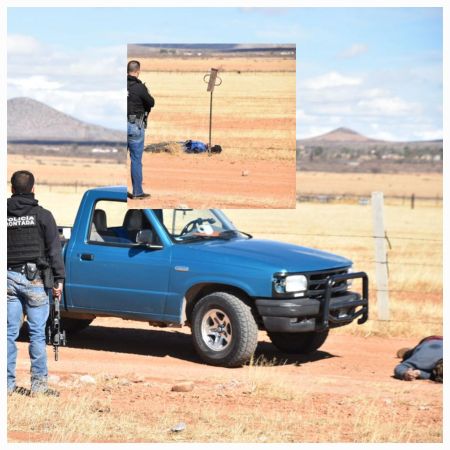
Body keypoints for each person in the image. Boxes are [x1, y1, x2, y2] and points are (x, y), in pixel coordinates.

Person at [7, 170, 65, 396]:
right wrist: (59, 280)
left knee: (8, 333)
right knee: (37, 334)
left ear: (12, 189)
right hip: (35, 281)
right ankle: (39, 387)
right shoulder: (43, 216)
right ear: (33, 188)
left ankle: (6, 385)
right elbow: (54, 250)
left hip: (8, 279)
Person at [127, 59, 155, 199]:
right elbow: (151, 102)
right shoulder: (139, 88)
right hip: (134, 126)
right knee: (136, 160)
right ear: (137, 71)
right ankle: (137, 192)